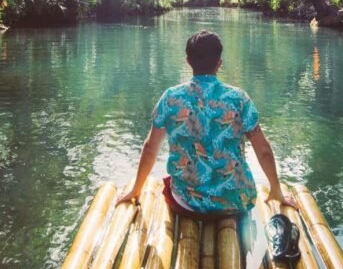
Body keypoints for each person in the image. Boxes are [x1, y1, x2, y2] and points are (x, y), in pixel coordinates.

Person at [116, 30, 298, 215]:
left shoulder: (171, 98)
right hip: (235, 201)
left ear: (188, 61)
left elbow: (150, 147)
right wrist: (276, 189)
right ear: (219, 63)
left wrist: (136, 189)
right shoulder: (239, 99)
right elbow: (263, 150)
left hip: (186, 202)